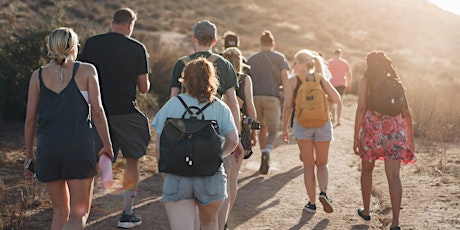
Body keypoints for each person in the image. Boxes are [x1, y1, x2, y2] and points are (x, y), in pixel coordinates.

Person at [24, 27, 113, 230]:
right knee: (78, 214)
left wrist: (29, 154)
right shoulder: (87, 70)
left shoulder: (37, 76)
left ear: (50, 47)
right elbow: (98, 112)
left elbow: (30, 119)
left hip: (48, 150)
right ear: (74, 47)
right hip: (79, 148)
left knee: (59, 211)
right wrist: (107, 145)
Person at [79, 8, 151, 228]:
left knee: (95, 158)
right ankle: (127, 215)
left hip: (96, 111)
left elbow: (80, 76)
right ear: (130, 25)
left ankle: (81, 213)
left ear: (112, 23)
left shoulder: (92, 43)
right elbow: (144, 88)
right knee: (133, 158)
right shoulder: (137, 48)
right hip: (125, 112)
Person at [152, 57, 239, 230]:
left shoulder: (172, 105)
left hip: (177, 174)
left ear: (185, 79)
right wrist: (215, 156)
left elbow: (158, 144)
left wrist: (165, 171)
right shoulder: (220, 107)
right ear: (211, 79)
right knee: (209, 224)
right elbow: (233, 140)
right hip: (210, 175)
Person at [353, 51, 416, 230]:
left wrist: (356, 136)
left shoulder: (366, 82)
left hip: (372, 130)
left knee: (367, 170)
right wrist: (410, 141)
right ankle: (395, 223)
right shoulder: (396, 83)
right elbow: (407, 113)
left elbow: (361, 108)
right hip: (395, 131)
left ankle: (366, 212)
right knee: (394, 176)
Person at [282, 49, 340, 213]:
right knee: (322, 163)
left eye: (295, 63)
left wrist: (285, 128)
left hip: (303, 124)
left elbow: (287, 106)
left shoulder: (292, 81)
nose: (293, 66)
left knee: (308, 165)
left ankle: (312, 203)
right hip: (322, 123)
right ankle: (323, 192)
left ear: (301, 64)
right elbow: (337, 99)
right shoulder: (321, 79)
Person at [219, 47, 258, 229]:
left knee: (217, 175)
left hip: (217, 130)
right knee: (232, 178)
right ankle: (224, 219)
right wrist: (254, 132)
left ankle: (210, 216)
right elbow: (249, 105)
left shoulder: (216, 77)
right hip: (238, 130)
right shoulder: (244, 79)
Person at [248, 30, 290, 174]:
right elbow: (285, 78)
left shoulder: (252, 59)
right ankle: (267, 151)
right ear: (273, 44)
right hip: (272, 97)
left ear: (261, 44)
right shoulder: (279, 58)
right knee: (273, 130)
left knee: (262, 128)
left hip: (255, 98)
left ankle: (262, 156)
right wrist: (286, 95)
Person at [328, 48, 352, 126]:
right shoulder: (345, 63)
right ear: (340, 54)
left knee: (331, 101)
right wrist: (348, 83)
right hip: (341, 84)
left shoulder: (329, 62)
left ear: (334, 54)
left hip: (331, 83)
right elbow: (349, 74)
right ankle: (338, 120)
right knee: (339, 101)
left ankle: (333, 118)